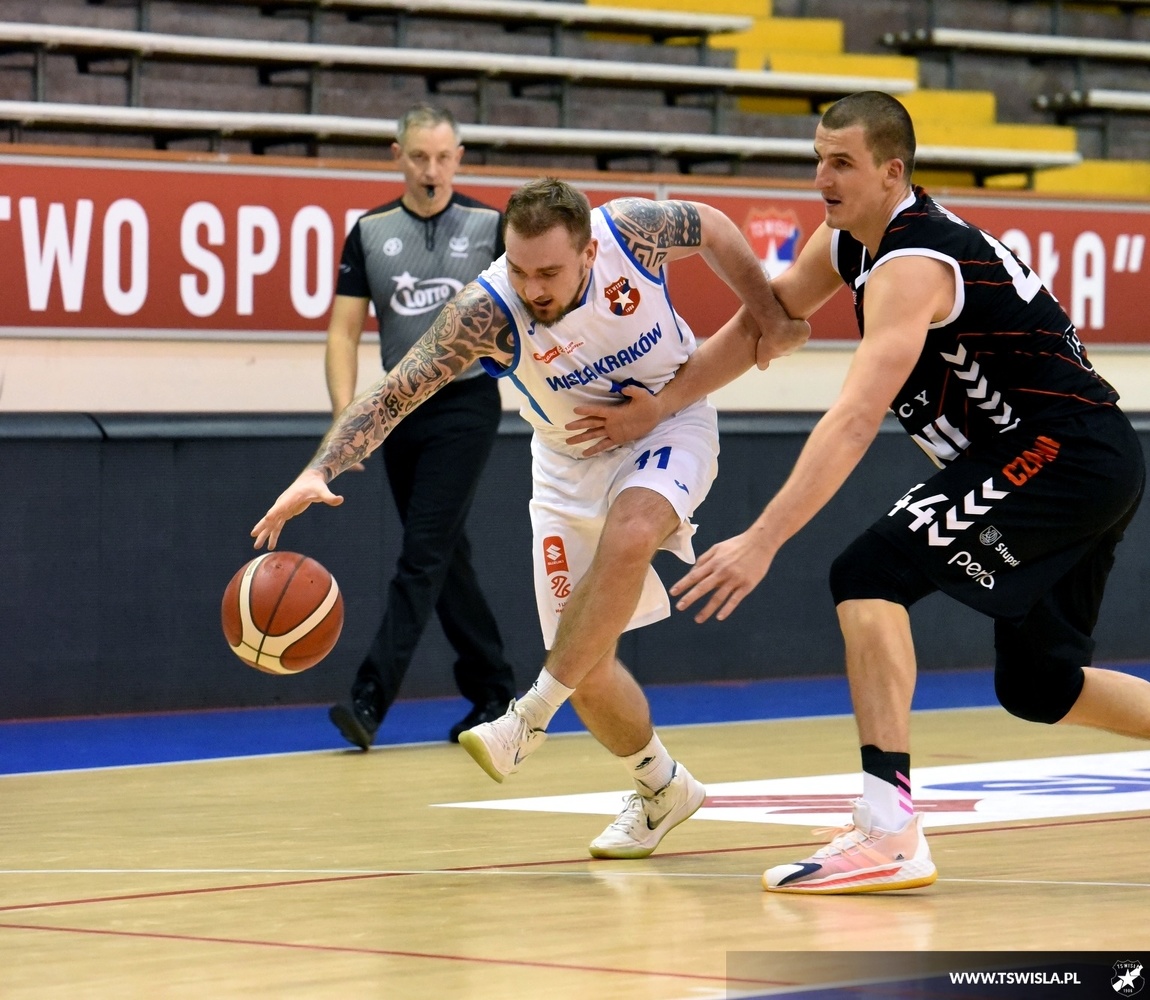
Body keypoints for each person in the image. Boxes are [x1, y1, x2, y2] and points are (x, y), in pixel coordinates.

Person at [569, 90, 1150, 891]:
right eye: (818, 158)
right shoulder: (850, 243)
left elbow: (852, 420)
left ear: (891, 172)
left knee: (869, 574)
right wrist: (662, 405)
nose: (822, 177)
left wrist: (763, 539)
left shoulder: (914, 263)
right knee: (1039, 686)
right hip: (1082, 457)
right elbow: (766, 320)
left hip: (1063, 453)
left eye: (841, 162)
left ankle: (889, 829)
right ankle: (888, 823)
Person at [253, 177, 809, 858]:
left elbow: (715, 226)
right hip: (567, 465)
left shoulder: (633, 233)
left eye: (548, 272)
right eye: (519, 269)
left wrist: (768, 313)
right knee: (588, 669)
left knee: (634, 531)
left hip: (669, 423)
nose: (532, 287)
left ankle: (528, 716)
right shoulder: (486, 312)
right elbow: (396, 393)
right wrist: (321, 468)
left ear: (588, 252)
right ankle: (662, 787)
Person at [324, 104, 517, 749]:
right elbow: (343, 331)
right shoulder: (370, 232)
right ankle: (494, 690)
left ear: (459, 158)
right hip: (397, 409)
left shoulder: (491, 227)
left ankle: (369, 698)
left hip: (465, 404)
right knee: (445, 556)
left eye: (442, 158)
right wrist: (346, 418)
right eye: (418, 158)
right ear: (397, 157)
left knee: (422, 554)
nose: (431, 171)